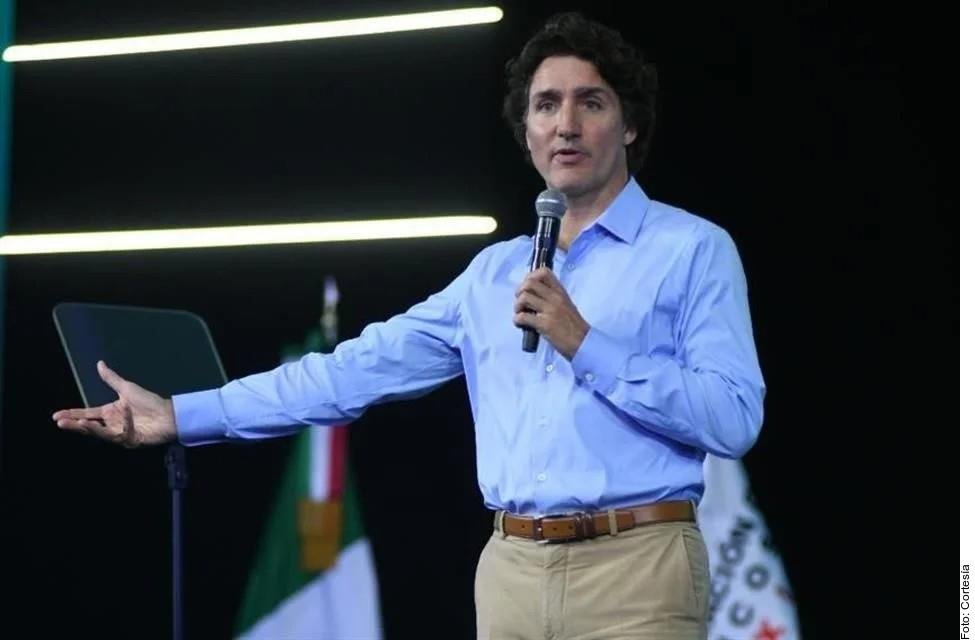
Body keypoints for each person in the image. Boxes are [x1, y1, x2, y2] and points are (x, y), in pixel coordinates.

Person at [53, 12, 765, 640]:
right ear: (526, 133)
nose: (565, 124)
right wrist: (182, 414)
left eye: (591, 102)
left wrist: (583, 342)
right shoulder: (492, 274)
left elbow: (732, 419)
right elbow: (348, 373)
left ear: (629, 123)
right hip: (511, 571)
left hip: (637, 569)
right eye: (546, 105)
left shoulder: (691, 249)